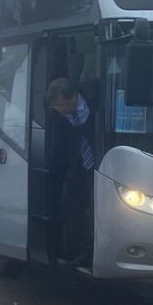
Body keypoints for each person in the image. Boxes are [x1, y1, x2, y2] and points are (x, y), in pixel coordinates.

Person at [46, 77, 95, 267]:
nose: (60, 110)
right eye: (56, 107)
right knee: (70, 208)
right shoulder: (58, 116)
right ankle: (76, 253)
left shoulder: (95, 107)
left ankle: (90, 250)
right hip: (77, 169)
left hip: (101, 166)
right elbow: (58, 147)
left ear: (74, 97)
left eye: (62, 106)